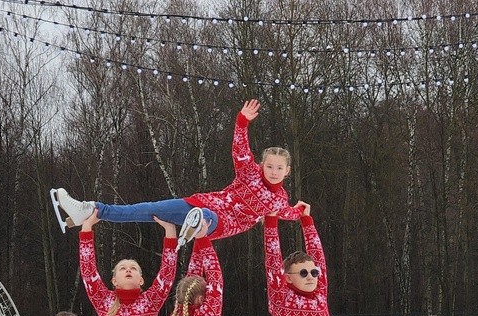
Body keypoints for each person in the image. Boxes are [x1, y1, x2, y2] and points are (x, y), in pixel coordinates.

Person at [50, 99, 302, 243]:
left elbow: (287, 213)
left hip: (221, 222)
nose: (273, 171)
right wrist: (242, 122)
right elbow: (240, 149)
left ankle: (195, 226)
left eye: (279, 168)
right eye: (269, 166)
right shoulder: (250, 173)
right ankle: (89, 210)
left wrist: (301, 213)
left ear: (287, 171)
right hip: (203, 203)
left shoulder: (278, 199)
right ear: (262, 165)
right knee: (147, 209)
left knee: (204, 216)